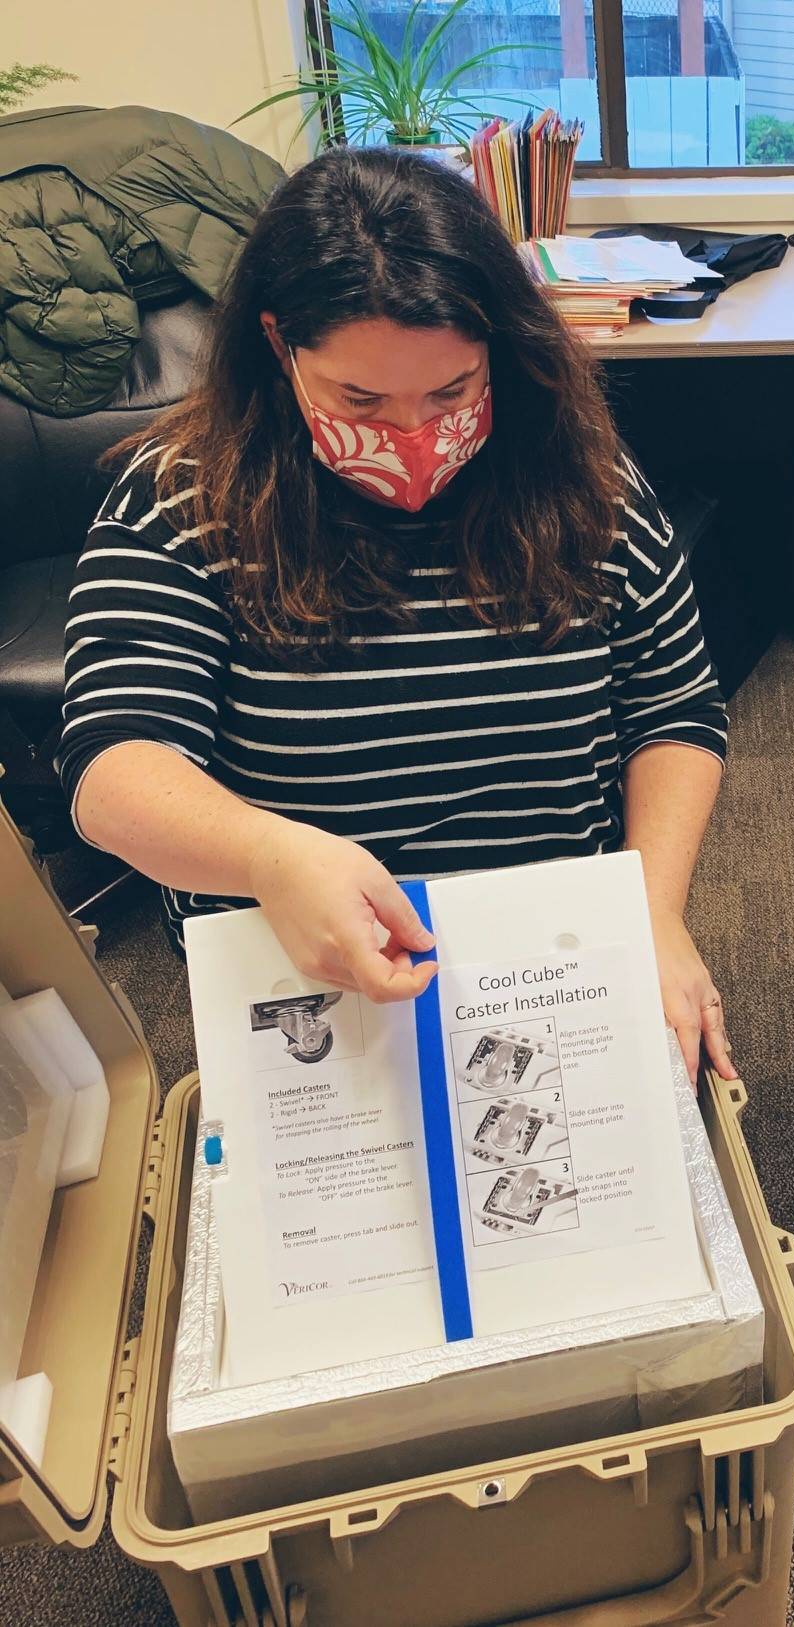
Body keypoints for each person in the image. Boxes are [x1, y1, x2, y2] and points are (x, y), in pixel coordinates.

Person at [59, 146, 735, 1082]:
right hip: (311, 969)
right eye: (359, 398)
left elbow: (673, 713)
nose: (412, 437)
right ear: (277, 344)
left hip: (550, 946)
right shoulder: (182, 498)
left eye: (451, 392)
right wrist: (267, 854)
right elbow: (111, 767)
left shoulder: (582, 480)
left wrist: (652, 911)